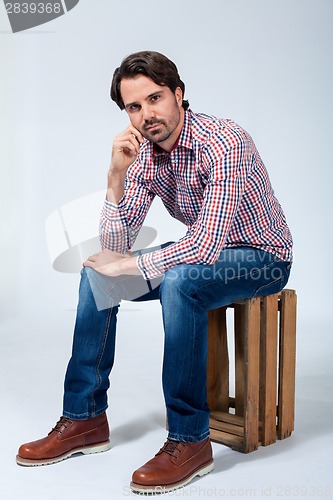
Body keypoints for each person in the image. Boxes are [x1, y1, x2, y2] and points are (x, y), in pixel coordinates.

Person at [16, 51, 293, 494]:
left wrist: (131, 264)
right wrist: (115, 176)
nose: (147, 115)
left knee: (181, 281)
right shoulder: (144, 152)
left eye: (155, 98)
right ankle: (85, 417)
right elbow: (115, 249)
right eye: (134, 107)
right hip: (206, 253)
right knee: (96, 276)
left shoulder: (224, 141)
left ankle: (189, 440)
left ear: (178, 95)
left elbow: (204, 246)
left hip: (261, 257)